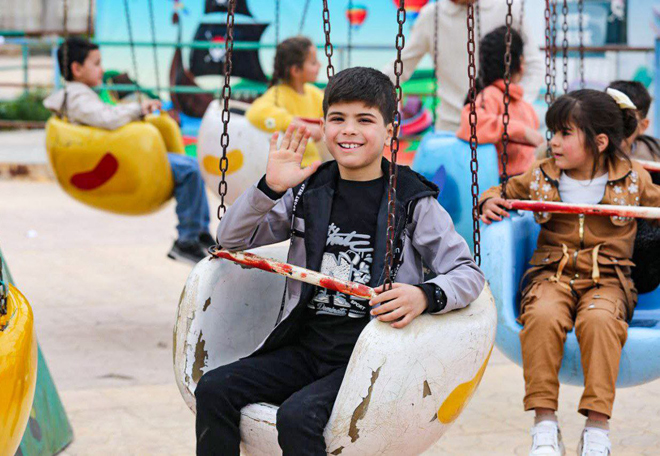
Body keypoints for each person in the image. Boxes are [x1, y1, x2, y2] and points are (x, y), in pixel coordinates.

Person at [195, 67, 485, 455]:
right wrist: (270, 187)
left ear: (389, 131)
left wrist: (422, 296)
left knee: (297, 417)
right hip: (306, 347)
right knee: (214, 388)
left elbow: (467, 273)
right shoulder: (307, 191)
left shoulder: (413, 200)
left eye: (364, 119)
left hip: (371, 358)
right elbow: (232, 239)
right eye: (338, 118)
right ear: (324, 126)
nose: (349, 130)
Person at [480, 89, 660, 456]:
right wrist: (489, 200)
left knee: (600, 321)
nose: (553, 142)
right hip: (552, 275)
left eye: (565, 133)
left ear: (600, 142)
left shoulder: (632, 178)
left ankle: (597, 427)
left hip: (608, 280)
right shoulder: (542, 176)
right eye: (553, 133)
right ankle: (544, 424)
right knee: (542, 316)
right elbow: (503, 189)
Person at [43, 37, 212, 265]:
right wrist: (138, 109)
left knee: (189, 168)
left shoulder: (78, 95)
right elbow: (106, 118)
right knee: (190, 170)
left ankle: (198, 233)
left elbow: (103, 117)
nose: (102, 70)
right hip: (124, 160)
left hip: (124, 156)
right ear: (77, 69)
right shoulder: (77, 97)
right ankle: (188, 239)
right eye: (96, 63)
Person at [383, 0, 544, 133]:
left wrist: (517, 108)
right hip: (450, 127)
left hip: (501, 127)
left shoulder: (507, 8)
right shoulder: (432, 15)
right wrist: (370, 89)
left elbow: (534, 65)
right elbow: (399, 67)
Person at [456, 26, 543, 178]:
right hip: (502, 182)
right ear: (520, 62)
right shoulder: (490, 96)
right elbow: (471, 124)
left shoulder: (523, 105)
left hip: (528, 179)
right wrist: (521, 131)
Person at [606, 81, 660, 295]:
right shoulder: (583, 151)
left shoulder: (652, 155)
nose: (616, 129)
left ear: (642, 125)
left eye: (626, 121)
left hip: (643, 248)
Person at [246, 36, 326, 166]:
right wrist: (296, 124)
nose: (320, 65)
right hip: (290, 166)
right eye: (313, 63)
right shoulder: (278, 93)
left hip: (314, 164)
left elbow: (331, 109)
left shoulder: (313, 93)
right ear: (296, 70)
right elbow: (255, 113)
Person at [607, 80, 660, 164]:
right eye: (610, 117)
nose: (616, 127)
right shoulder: (588, 152)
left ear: (643, 126)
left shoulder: (654, 158)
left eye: (626, 120)